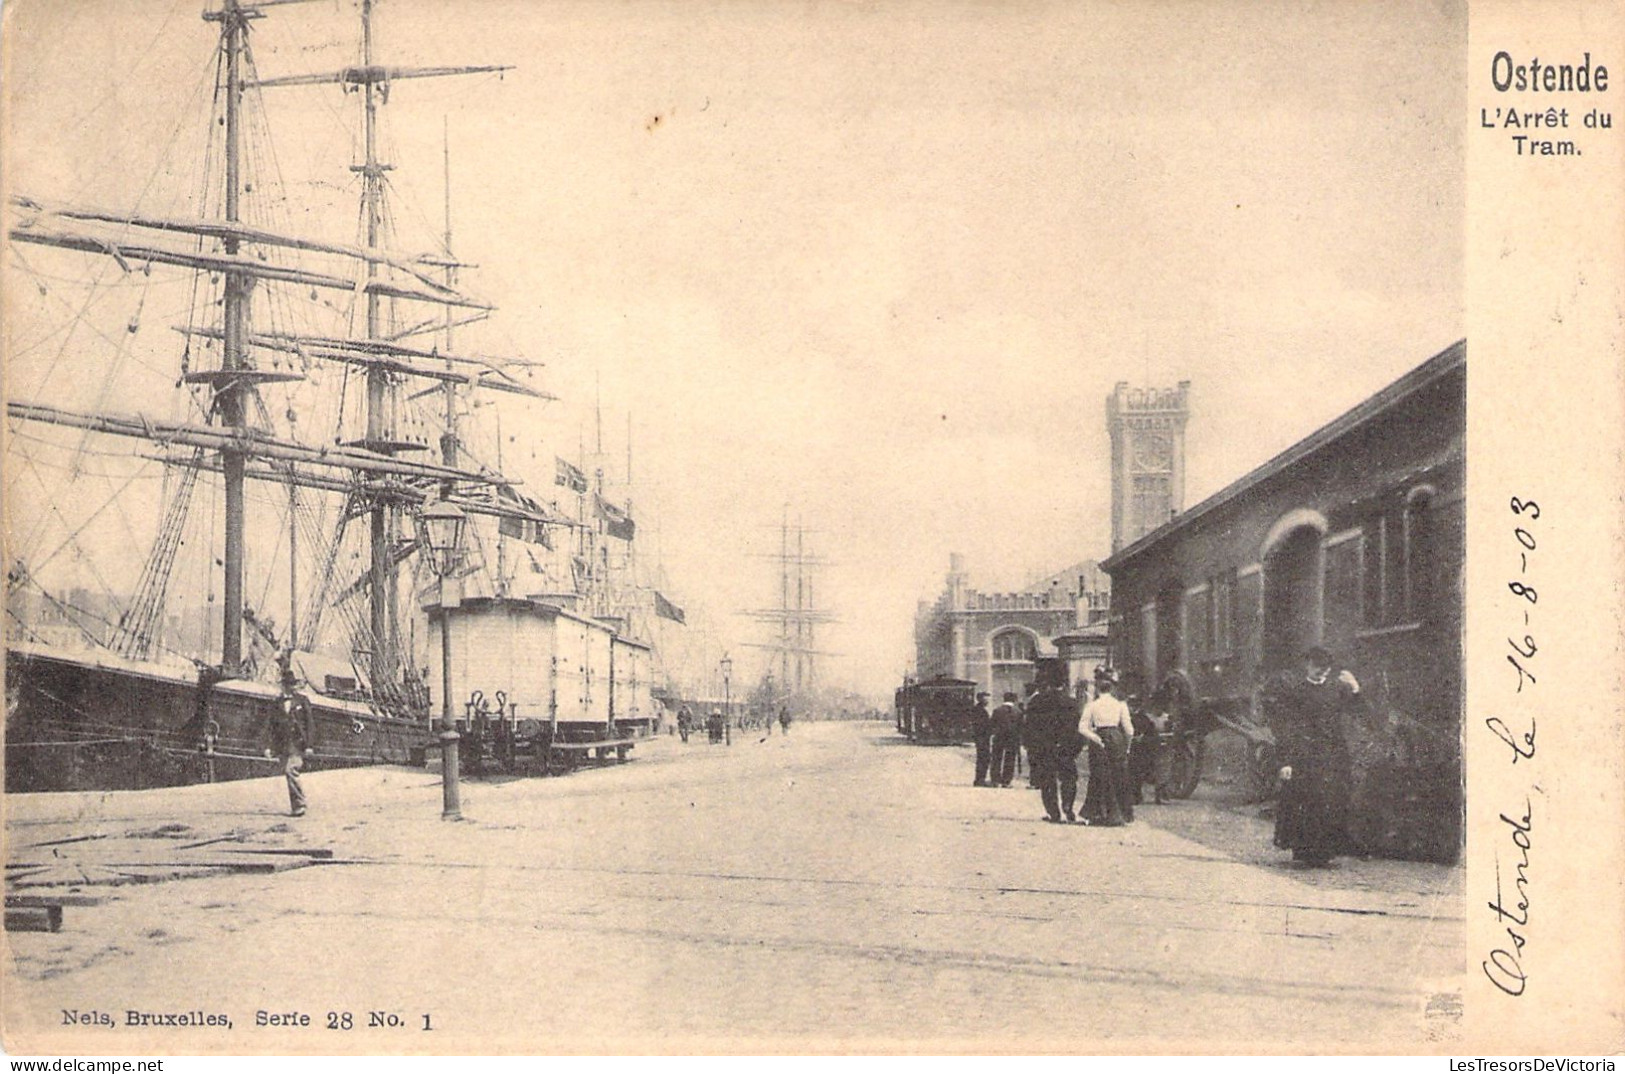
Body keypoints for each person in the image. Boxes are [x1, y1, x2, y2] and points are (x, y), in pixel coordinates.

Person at [1268, 647, 1359, 866]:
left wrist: (1355, 688)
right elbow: (1286, 728)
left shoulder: (1337, 689)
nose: (1320, 673)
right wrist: (1285, 761)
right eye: (1316, 667)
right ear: (1307, 665)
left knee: (1330, 801)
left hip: (1331, 755)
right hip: (1303, 756)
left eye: (1324, 669)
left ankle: (1326, 852)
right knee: (1305, 802)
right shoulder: (1296, 692)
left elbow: (1358, 711)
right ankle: (1305, 852)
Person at [1025, 661, 1081, 823]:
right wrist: (1074, 749)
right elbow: (1077, 729)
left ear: (1047, 683)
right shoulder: (1071, 703)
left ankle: (1053, 813)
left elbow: (1030, 729)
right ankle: (1068, 807)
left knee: (1047, 781)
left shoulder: (1036, 702)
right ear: (1063, 684)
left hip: (1044, 749)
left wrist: (1032, 750)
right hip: (1065, 749)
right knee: (1069, 779)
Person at [1080, 669, 1134, 826]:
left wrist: (1095, 738)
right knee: (1119, 776)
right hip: (1117, 739)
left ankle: (1097, 813)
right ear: (1112, 689)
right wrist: (1127, 746)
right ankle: (1120, 815)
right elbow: (1130, 730)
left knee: (1099, 775)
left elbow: (1082, 728)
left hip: (1099, 740)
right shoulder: (1120, 705)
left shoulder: (1092, 705)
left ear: (1097, 689)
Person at [266, 670, 314, 817]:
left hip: (298, 743)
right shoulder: (277, 703)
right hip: (284, 744)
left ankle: (300, 803)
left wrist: (309, 745)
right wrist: (268, 747)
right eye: (286, 685)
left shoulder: (302, 701)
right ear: (283, 686)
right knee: (289, 774)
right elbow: (271, 727)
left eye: (291, 685)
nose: (289, 688)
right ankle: (296, 807)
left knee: (290, 770)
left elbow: (310, 724)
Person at [989, 692, 1021, 788]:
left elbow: (992, 724)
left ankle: (995, 780)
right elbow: (1021, 726)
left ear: (1004, 699)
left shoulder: (997, 710)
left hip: (999, 737)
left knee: (996, 758)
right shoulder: (1018, 712)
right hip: (1012, 738)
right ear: (1015, 700)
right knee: (1010, 759)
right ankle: (1006, 781)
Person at [970, 692, 994, 786]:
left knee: (983, 758)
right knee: (983, 758)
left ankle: (980, 779)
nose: (987, 701)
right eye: (986, 699)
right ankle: (980, 780)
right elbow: (982, 725)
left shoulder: (979, 709)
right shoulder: (979, 711)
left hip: (982, 737)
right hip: (982, 737)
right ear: (980, 699)